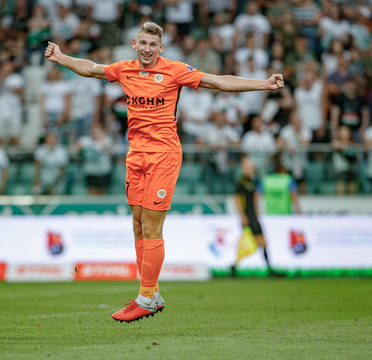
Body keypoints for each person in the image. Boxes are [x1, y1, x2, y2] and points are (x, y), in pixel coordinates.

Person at [45, 21, 284, 323]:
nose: (147, 49)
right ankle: (153, 293)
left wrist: (264, 83)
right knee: (137, 223)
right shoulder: (125, 69)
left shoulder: (174, 70)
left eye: (152, 45)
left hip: (164, 156)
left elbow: (219, 82)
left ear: (161, 48)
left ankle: (144, 298)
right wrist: (61, 57)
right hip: (135, 156)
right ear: (135, 44)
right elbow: (92, 68)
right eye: (142, 43)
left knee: (152, 226)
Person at [232, 156, 279, 277]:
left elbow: (254, 199)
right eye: (249, 167)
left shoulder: (253, 181)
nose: (251, 169)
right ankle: (269, 269)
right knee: (257, 242)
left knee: (254, 242)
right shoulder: (241, 182)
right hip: (248, 216)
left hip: (253, 216)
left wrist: (257, 212)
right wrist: (242, 216)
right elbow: (237, 199)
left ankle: (234, 267)